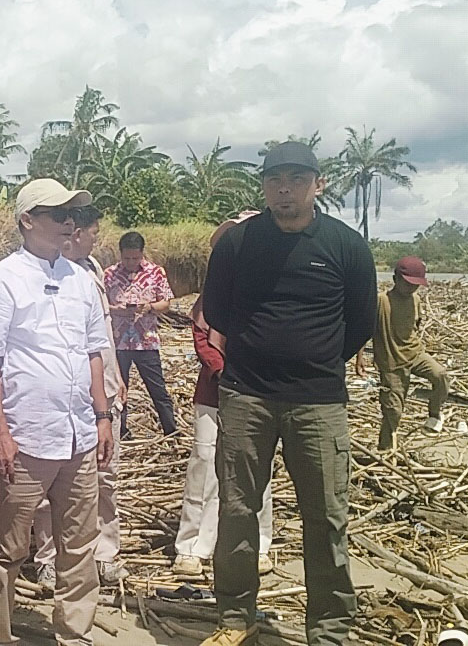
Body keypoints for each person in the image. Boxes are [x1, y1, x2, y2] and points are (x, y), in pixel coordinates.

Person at [200, 141, 376, 646]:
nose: (284, 188)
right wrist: (260, 355)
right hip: (246, 396)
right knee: (236, 511)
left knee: (326, 516)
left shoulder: (346, 246)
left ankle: (329, 628)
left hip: (319, 401)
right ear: (263, 186)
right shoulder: (237, 243)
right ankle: (235, 618)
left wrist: (313, 359)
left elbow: (360, 322)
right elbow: (217, 311)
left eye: (297, 178)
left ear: (317, 184)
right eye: (275, 178)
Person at [0, 180, 115, 646]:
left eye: (72, 214)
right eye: (57, 214)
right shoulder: (0, 281)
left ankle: (74, 633)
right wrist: (0, 432)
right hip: (27, 434)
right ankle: (0, 632)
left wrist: (103, 416)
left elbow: (94, 351)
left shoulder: (82, 281)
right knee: (11, 544)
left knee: (79, 541)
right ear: (27, 221)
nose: (68, 222)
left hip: (79, 433)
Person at [172, 214, 275, 578]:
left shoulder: (274, 291)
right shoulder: (211, 295)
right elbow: (204, 342)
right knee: (204, 465)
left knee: (258, 466)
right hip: (215, 393)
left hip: (259, 394)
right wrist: (227, 373)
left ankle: (259, 544)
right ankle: (192, 547)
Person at [31, 204, 128, 588]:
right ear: (75, 234)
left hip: (101, 393)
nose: (95, 238)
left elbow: (102, 336)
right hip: (56, 396)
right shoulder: (35, 273)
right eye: (93, 232)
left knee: (105, 478)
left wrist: (116, 376)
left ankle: (104, 553)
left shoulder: (93, 273)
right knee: (46, 485)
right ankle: (49, 556)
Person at [357, 256, 448, 450]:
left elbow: (415, 325)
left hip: (415, 354)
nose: (412, 289)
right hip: (391, 364)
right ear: (395, 279)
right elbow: (364, 329)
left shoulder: (415, 299)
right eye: (408, 284)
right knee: (393, 411)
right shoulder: (381, 301)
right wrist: (360, 357)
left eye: (416, 285)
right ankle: (386, 451)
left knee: (440, 375)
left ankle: (434, 413)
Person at [105, 231, 177, 438]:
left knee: (157, 389)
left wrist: (149, 307)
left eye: (135, 258)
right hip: (118, 341)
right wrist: (117, 309)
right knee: (119, 390)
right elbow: (101, 305)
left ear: (142, 253)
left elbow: (166, 303)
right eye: (126, 258)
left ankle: (171, 430)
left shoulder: (156, 272)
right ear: (120, 254)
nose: (130, 262)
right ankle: (121, 432)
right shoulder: (108, 274)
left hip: (146, 341)